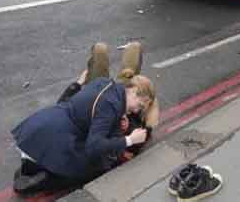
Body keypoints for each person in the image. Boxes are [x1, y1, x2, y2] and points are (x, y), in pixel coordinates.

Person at [12, 64, 158, 194]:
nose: (135, 110)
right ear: (134, 91)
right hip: (52, 139)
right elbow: (93, 146)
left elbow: (72, 105)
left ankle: (31, 167)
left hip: (37, 130)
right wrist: (130, 140)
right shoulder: (112, 106)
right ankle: (41, 182)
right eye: (140, 105)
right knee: (95, 169)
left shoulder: (104, 83)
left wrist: (77, 84)